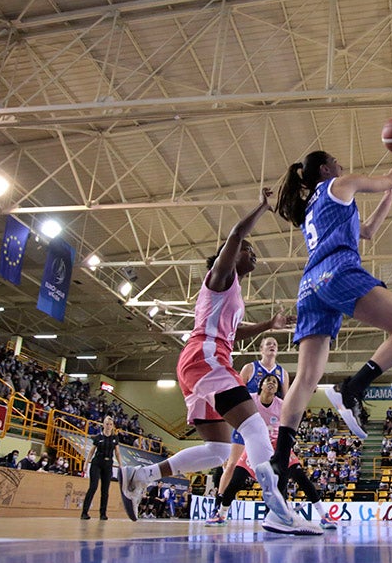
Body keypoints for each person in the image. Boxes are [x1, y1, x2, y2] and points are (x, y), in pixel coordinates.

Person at [117, 188, 319, 535]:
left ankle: (142, 475)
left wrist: (268, 325)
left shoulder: (233, 292)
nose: (253, 255)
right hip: (206, 358)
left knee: (217, 450)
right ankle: (279, 511)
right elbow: (236, 234)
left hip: (202, 360)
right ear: (232, 256)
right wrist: (263, 207)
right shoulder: (220, 277)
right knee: (255, 428)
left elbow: (233, 333)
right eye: (250, 252)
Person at [270, 134, 392, 482]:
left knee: (307, 377)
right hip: (337, 272)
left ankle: (280, 458)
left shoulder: (312, 206)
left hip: (310, 285)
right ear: (326, 168)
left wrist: (388, 199)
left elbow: (367, 231)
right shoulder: (340, 183)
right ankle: (353, 387)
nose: (341, 165)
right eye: (336, 161)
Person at [207, 375, 337, 530]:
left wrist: (307, 392)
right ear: (261, 385)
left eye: (275, 382)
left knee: (301, 477)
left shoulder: (282, 405)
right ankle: (221, 514)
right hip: (256, 445)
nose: (271, 383)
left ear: (277, 389)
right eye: (268, 380)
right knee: (236, 480)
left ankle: (324, 516)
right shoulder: (250, 401)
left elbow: (296, 409)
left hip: (277, 446)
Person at [218, 336, 289, 499]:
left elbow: (286, 404)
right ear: (261, 349)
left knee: (273, 470)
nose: (272, 346)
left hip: (269, 429)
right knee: (232, 465)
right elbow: (236, 395)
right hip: (247, 424)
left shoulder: (282, 373)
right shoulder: (250, 368)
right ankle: (220, 501)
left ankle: (277, 505)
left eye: (275, 344)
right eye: (268, 344)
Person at [81, 415, 121, 520]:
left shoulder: (115, 438)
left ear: (113, 426)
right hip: (97, 463)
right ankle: (84, 512)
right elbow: (91, 451)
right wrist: (86, 463)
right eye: (107, 424)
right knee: (93, 487)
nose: (108, 426)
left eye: (110, 424)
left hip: (108, 465)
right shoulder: (98, 437)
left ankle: (103, 514)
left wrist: (121, 465)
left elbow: (117, 453)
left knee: (105, 490)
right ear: (103, 425)